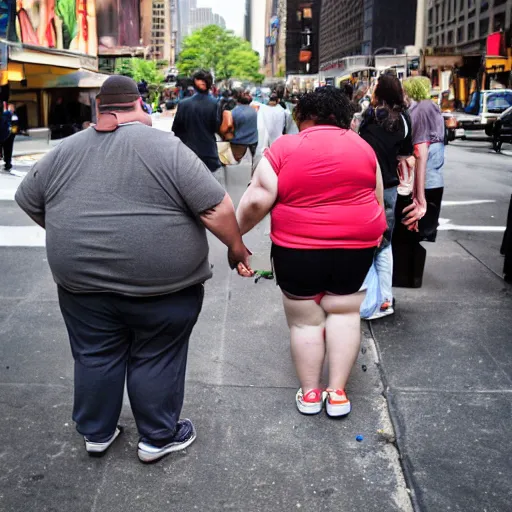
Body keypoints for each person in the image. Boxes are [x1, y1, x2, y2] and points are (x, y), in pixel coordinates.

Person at [15, 75, 251, 464]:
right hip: (165, 288)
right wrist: (237, 247)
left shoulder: (65, 150)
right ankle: (157, 438)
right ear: (139, 105)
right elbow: (215, 207)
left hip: (82, 287)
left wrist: (66, 231)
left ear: (100, 108)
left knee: (95, 353)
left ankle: (97, 432)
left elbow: (30, 199)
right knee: (156, 354)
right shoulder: (165, 146)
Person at [236, 87, 386, 417]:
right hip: (357, 245)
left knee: (305, 322)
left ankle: (310, 394)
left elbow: (258, 200)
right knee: (345, 314)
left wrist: (236, 238)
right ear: (344, 116)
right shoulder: (363, 148)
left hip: (298, 247)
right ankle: (337, 395)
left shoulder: (285, 147)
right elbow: (377, 199)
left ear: (302, 114)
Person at [358, 74, 414, 319]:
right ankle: (385, 299)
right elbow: (405, 153)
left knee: (365, 242)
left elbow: (359, 145)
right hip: (390, 188)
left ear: (378, 91)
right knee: (385, 243)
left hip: (365, 186)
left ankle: (368, 299)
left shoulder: (370, 116)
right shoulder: (403, 119)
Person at [172, 70, 232, 172]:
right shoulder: (216, 104)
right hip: (209, 155)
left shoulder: (183, 104)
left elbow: (175, 130)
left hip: (187, 155)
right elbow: (219, 129)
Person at [229, 89, 258, 164]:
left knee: (236, 165)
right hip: (253, 142)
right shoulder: (253, 110)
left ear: (237, 100)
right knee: (250, 163)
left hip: (239, 143)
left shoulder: (234, 112)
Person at [0, 103, 17, 172]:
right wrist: (13, 134)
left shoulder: (3, 115)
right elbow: (15, 125)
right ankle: (8, 163)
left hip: (2, 134)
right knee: (8, 149)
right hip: (9, 135)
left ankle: (6, 161)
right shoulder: (13, 115)